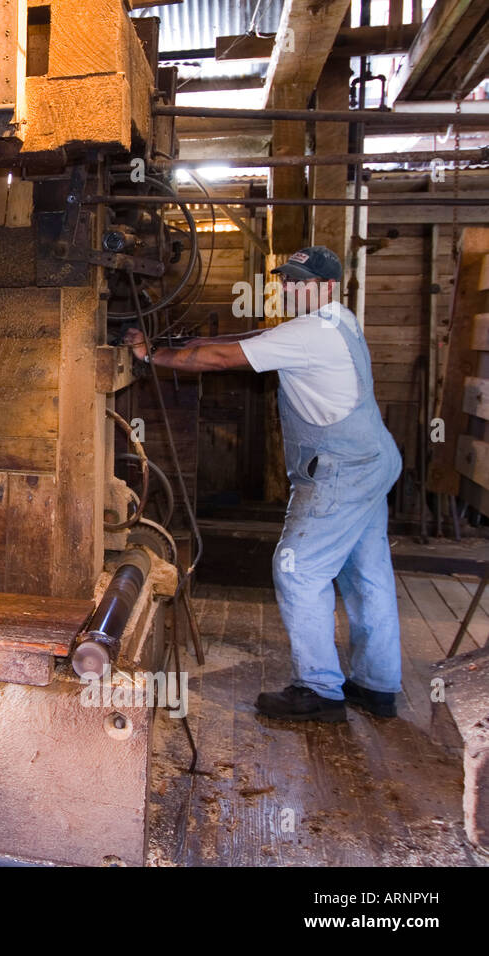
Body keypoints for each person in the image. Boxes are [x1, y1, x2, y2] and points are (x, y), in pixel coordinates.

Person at [123, 245, 403, 723]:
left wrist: (153, 354)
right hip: (374, 459)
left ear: (329, 286)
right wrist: (186, 337)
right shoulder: (341, 320)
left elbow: (219, 359)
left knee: (299, 570)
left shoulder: (311, 334)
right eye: (287, 279)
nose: (290, 288)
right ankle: (377, 687)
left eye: (300, 281)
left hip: (340, 472)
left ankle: (319, 691)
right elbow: (258, 335)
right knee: (365, 573)